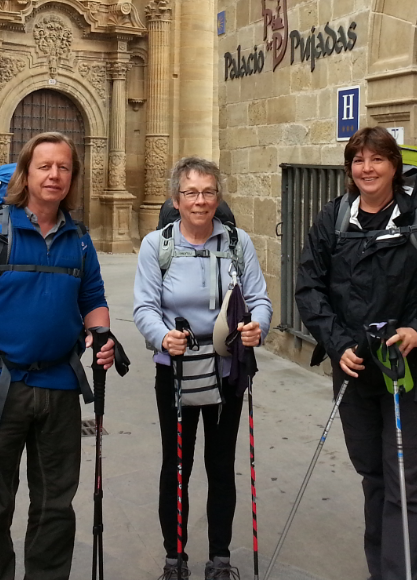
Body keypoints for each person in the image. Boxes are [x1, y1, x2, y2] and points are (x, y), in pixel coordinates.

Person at [295, 127, 417, 580]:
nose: (367, 169)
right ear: (349, 169)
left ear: (394, 166)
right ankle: (384, 569)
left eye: (377, 159)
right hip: (354, 370)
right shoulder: (334, 219)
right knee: (373, 475)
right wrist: (337, 344)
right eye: (358, 160)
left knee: (406, 481)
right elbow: (309, 289)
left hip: (404, 373)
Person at [0, 132, 115, 580]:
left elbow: (93, 298)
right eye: (44, 166)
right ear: (26, 173)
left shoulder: (79, 240)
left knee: (56, 505)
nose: (54, 175)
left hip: (59, 387)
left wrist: (101, 332)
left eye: (64, 167)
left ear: (72, 177)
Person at [134, 157, 273, 580]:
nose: (200, 200)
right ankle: (174, 558)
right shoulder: (156, 246)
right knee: (176, 465)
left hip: (226, 368)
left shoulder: (238, 243)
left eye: (209, 192)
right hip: (175, 369)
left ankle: (220, 558)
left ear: (218, 197)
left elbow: (260, 299)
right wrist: (163, 337)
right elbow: (144, 307)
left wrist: (257, 327)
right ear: (176, 200)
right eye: (191, 192)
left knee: (221, 463)